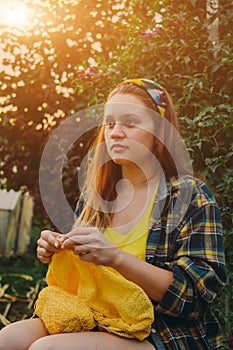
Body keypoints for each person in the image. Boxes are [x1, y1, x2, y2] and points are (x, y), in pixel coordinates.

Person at [0, 78, 226, 350]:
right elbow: (83, 278)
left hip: (160, 330)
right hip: (96, 316)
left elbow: (195, 297)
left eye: (130, 122)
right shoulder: (96, 196)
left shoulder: (190, 196)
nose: (115, 132)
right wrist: (58, 248)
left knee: (46, 349)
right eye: (109, 123)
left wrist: (116, 257)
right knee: (7, 340)